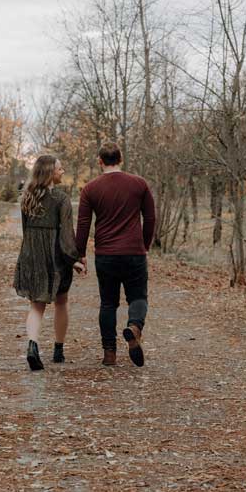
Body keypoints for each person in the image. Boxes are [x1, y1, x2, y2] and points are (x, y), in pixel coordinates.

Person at [75, 142, 155, 367]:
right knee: (138, 297)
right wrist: (144, 244)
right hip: (134, 253)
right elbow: (150, 218)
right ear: (121, 159)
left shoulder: (90, 188)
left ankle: (109, 353)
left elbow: (83, 224)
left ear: (100, 161)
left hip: (106, 255)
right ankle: (134, 327)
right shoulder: (139, 184)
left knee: (108, 303)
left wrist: (80, 254)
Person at [13, 155, 85, 370]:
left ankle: (32, 346)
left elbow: (26, 231)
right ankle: (58, 350)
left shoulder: (27, 197)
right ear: (50, 172)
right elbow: (66, 236)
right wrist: (74, 260)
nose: (63, 172)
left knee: (36, 304)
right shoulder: (61, 199)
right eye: (60, 169)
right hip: (55, 256)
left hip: (32, 254)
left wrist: (28, 254)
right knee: (61, 301)